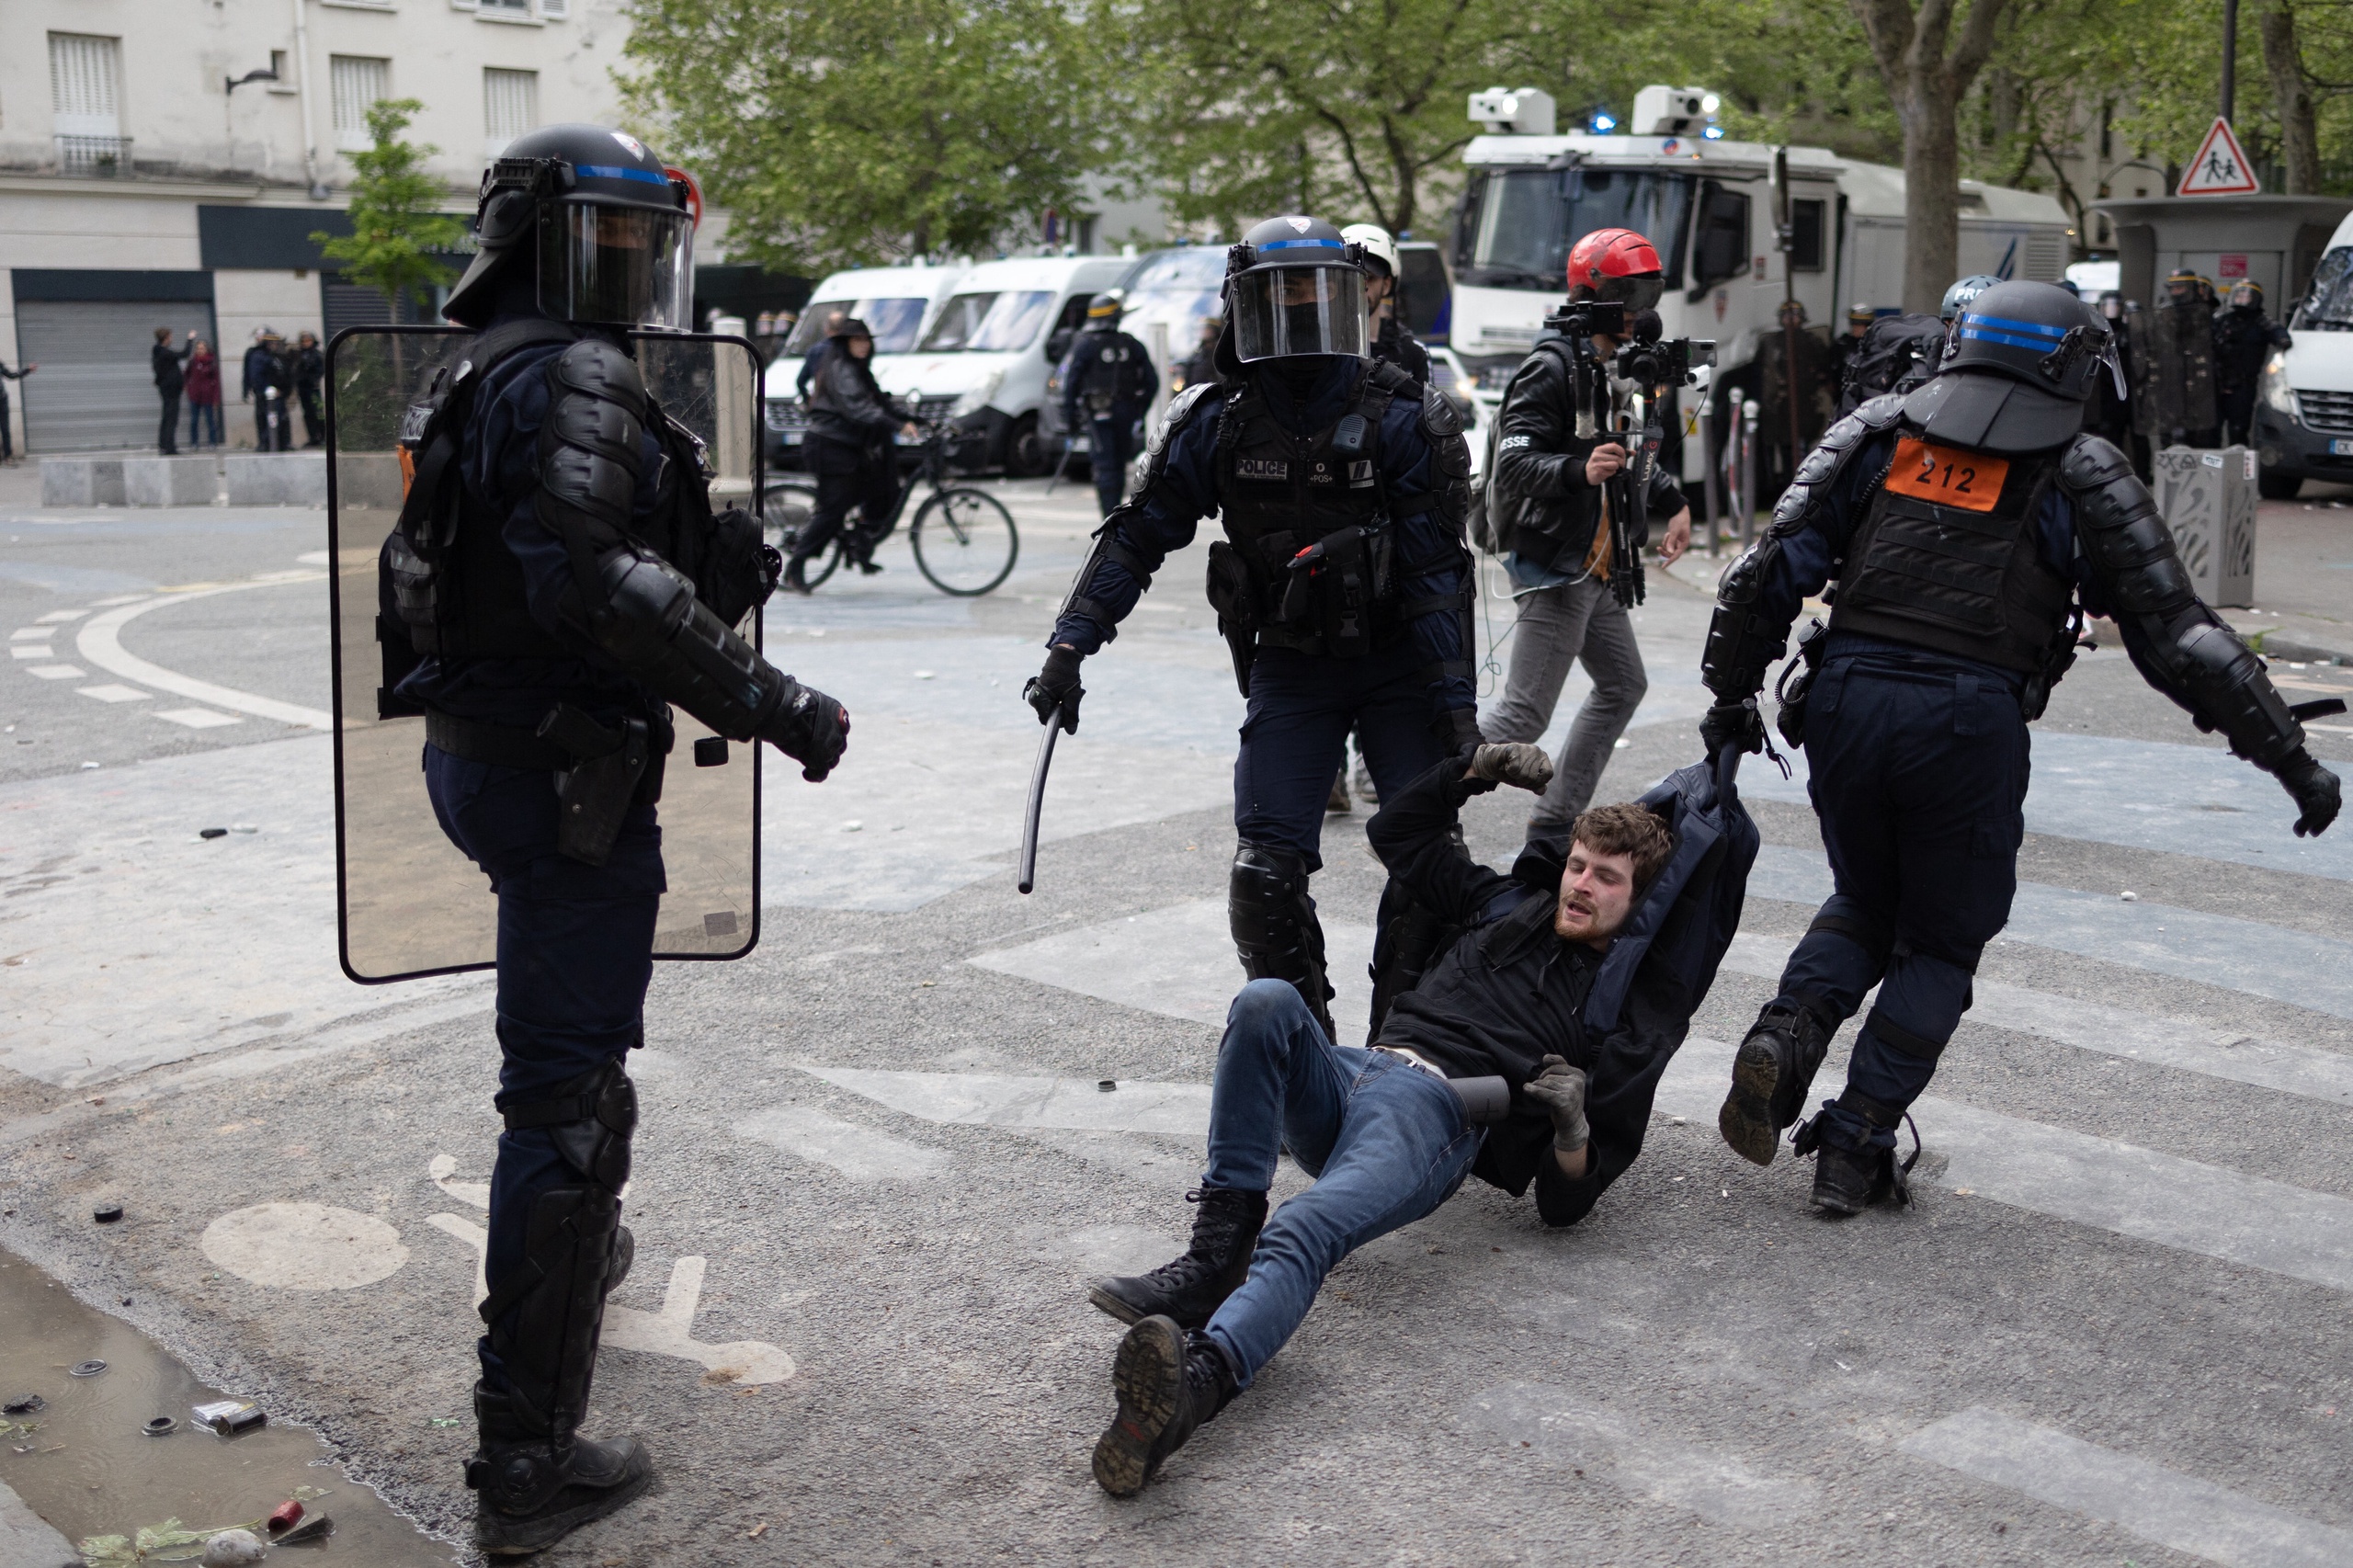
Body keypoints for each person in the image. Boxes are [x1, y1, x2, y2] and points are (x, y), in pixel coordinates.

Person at [393, 121, 851, 1554]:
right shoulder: (576, 368)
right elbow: (592, 585)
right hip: (562, 778)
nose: (643, 268)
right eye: (621, 237)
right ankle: (525, 1461)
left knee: (573, 1093)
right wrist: (775, 702)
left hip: (481, 761)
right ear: (547, 233)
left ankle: (574, 1272)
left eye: (652, 240)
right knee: (566, 1111)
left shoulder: (477, 363)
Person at [1699, 280, 2340, 1215]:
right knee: (1944, 937)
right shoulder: (2082, 467)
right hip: (1966, 720)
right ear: (2071, 364)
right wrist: (2288, 757)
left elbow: (1761, 574)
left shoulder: (1877, 433)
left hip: (1843, 701)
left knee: (1866, 897)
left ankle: (1787, 1034)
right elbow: (2180, 638)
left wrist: (1726, 700)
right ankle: (1855, 1139)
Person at [1086, 744, 1690, 1495]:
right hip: (1351, 1070)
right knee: (1267, 1000)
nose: (1581, 885)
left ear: (1638, 901)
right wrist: (1469, 770)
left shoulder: (1616, 1009)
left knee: (1305, 1229)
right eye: (1578, 866)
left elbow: (1567, 1204)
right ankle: (1215, 1257)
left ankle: (1199, 1385)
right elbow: (1396, 835)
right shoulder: (1505, 904)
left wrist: (1572, 1129)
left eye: (1607, 878)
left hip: (1433, 1113)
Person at [1025, 214, 1478, 1047]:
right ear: (1244, 304)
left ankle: (1401, 1056)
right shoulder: (1217, 421)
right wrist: (1069, 646)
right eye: (1282, 293)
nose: (1302, 311)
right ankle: (1301, 1059)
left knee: (1427, 868)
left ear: (1351, 296)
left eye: (1318, 291)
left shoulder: (1407, 416)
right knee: (1264, 875)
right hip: (1292, 666)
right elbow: (1136, 533)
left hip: (1398, 671)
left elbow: (1435, 576)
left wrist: (1457, 716)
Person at [1478, 227, 1692, 859]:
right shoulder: (1549, 369)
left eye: (1649, 291)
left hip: (1598, 566)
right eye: (1628, 293)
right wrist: (1577, 471)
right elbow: (1512, 468)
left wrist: (1673, 501)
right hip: (1557, 563)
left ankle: (1554, 823)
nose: (1640, 309)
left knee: (1623, 686)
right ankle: (1419, 807)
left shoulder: (1613, 368)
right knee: (1521, 719)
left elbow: (1630, 451)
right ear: (1592, 294)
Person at [788, 317, 916, 590]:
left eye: (866, 340)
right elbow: (859, 409)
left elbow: (879, 401)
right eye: (857, 340)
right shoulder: (840, 368)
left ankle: (860, 541)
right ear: (845, 344)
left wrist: (912, 418)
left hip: (848, 447)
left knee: (883, 489)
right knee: (832, 510)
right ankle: (796, 564)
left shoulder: (858, 369)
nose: (863, 345)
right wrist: (898, 425)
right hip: (830, 446)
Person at [1055, 293, 1158, 516]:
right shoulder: (1131, 344)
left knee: (1105, 468)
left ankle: (1109, 518)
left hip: (1098, 415)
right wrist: (1139, 410)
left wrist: (1070, 420)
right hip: (1126, 412)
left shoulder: (1084, 346)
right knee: (1119, 466)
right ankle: (1118, 515)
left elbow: (1070, 385)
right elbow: (1152, 382)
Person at [1342, 223, 1432, 385]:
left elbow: (1426, 409)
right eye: (1351, 276)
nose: (1359, 287)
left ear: (1387, 285)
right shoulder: (1323, 348)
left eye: (1369, 277)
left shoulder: (1412, 353)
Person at [2213, 279, 2288, 447]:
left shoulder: (2261, 322)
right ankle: (2213, 470)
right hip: (2217, 384)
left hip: (2242, 386)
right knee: (2211, 433)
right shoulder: (2222, 319)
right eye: (2239, 295)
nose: (2242, 299)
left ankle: (2237, 471)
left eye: (2247, 296)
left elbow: (2279, 333)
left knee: (2238, 431)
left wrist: (2282, 339)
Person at [244, 329, 293, 451]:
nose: (274, 345)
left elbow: (287, 374)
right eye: (272, 343)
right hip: (266, 395)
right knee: (267, 420)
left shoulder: (278, 356)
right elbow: (255, 376)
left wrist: (285, 391)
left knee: (282, 419)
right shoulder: (258, 355)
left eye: (276, 343)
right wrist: (267, 389)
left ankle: (283, 443)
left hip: (279, 394)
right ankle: (266, 443)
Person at [152, 327, 190, 455]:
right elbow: (184, 354)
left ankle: (164, 445)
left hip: (167, 389)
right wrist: (190, 339)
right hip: (171, 390)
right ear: (166, 338)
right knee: (171, 418)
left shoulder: (159, 352)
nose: (172, 339)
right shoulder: (164, 353)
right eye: (170, 336)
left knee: (167, 417)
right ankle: (169, 447)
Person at [184, 339, 222, 449]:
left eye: (202, 348)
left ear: (206, 349)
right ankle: (194, 442)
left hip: (208, 396)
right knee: (194, 420)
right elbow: (186, 375)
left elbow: (216, 382)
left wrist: (216, 398)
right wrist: (188, 388)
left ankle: (212, 442)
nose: (200, 350)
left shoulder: (211, 362)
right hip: (195, 396)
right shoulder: (193, 362)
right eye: (198, 348)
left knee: (210, 420)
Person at [0, 355, 36, 464]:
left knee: (5, 430)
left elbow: (11, 375)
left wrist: (27, 370)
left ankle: (8, 456)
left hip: (2, 400)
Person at [293, 330, 326, 448]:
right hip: (303, 388)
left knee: (318, 413)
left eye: (308, 340)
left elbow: (320, 370)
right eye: (304, 341)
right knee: (308, 414)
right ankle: (313, 437)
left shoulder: (317, 354)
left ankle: (323, 436)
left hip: (313, 388)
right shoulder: (299, 355)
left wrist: (313, 379)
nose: (306, 343)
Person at [1176, 315, 1222, 392]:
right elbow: (1189, 364)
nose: (1204, 333)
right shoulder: (1198, 352)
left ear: (1215, 331)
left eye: (1207, 330)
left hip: (1212, 392)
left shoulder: (1218, 351)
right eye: (1203, 330)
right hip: (1194, 392)